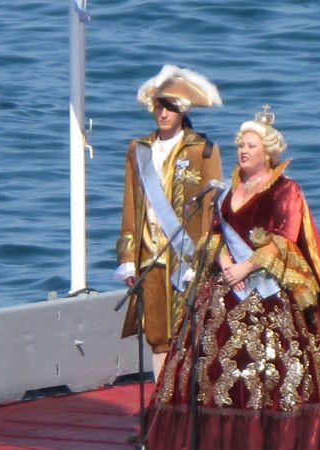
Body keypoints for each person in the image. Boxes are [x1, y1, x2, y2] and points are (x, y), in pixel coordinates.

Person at [144, 106, 320, 450]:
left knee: (279, 371)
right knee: (206, 367)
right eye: (240, 145)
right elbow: (215, 234)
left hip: (270, 292)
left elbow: (284, 241)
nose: (243, 151)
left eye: (251, 146)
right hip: (226, 287)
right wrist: (225, 262)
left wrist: (246, 267)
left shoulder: (285, 190)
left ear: (268, 152)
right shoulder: (228, 191)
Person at [114, 64, 223, 379]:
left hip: (187, 258)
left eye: (171, 107)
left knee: (190, 333)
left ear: (183, 110)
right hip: (150, 255)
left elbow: (212, 210)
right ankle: (160, 400)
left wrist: (205, 257)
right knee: (157, 336)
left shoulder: (203, 150)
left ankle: (185, 401)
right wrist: (127, 258)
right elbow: (130, 205)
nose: (163, 113)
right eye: (159, 106)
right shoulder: (138, 149)